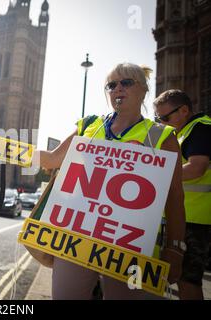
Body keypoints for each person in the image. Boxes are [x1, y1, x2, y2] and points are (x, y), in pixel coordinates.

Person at [27, 63, 186, 299]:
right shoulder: (89, 125)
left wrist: (175, 248)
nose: (118, 89)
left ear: (143, 90)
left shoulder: (161, 137)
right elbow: (51, 160)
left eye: (126, 83)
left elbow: (174, 199)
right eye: (111, 85)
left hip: (130, 249)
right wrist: (7, 149)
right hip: (74, 239)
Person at [153, 89, 211, 300]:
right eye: (159, 118)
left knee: (188, 280)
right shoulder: (180, 133)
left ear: (184, 110)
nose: (162, 122)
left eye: (166, 117)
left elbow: (197, 168)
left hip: (196, 220)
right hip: (182, 216)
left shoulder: (201, 129)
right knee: (174, 276)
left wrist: (155, 175)